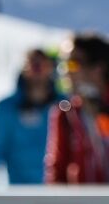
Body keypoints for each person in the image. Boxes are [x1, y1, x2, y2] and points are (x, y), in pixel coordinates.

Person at [0, 49, 63, 186]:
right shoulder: (6, 108)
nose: (38, 73)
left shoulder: (64, 105)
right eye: (34, 66)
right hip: (20, 194)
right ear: (24, 69)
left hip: (58, 195)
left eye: (43, 66)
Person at [46, 33, 109, 184]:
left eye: (72, 64)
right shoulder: (65, 114)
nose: (65, 71)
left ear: (98, 68)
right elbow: (56, 175)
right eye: (63, 64)